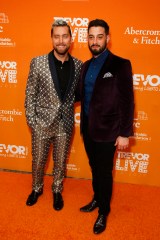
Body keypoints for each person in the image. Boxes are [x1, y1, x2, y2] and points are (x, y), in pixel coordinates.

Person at [78, 19, 134, 234]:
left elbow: (127, 101)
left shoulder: (121, 64)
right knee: (95, 168)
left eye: (99, 36)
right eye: (91, 37)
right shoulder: (85, 65)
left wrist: (124, 133)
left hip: (109, 131)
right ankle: (96, 198)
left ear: (107, 38)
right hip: (88, 129)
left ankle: (103, 211)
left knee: (104, 172)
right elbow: (80, 95)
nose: (95, 41)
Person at [25, 19, 83, 210]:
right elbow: (30, 94)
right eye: (56, 36)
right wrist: (33, 122)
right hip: (41, 123)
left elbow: (77, 94)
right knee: (39, 160)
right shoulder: (38, 62)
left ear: (71, 39)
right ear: (51, 38)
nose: (61, 40)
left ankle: (57, 190)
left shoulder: (78, 65)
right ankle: (36, 188)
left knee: (60, 162)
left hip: (65, 124)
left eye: (64, 36)